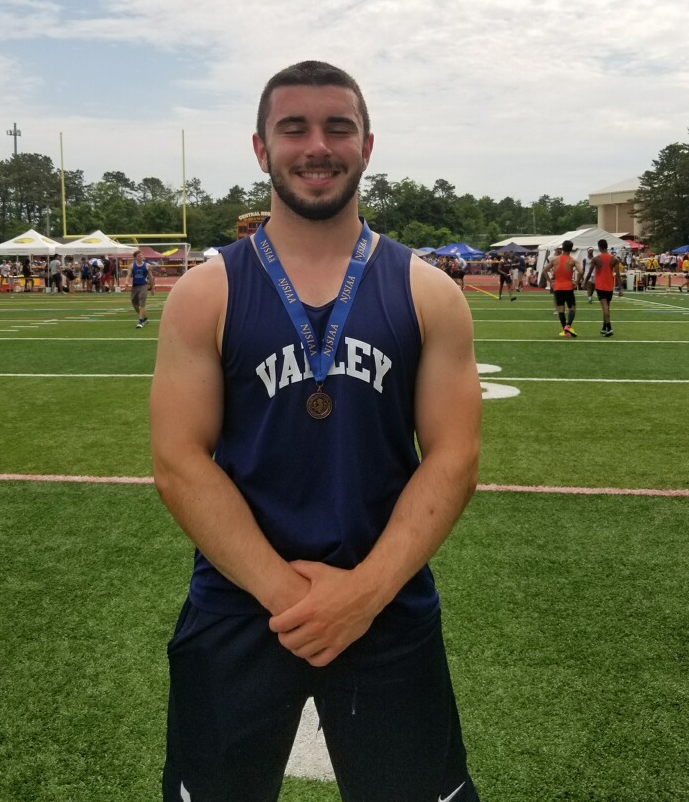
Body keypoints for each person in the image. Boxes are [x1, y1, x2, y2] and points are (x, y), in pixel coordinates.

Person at [151, 61, 482, 802]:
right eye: (293, 127)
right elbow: (178, 461)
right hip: (240, 604)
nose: (317, 145)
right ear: (261, 149)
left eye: (338, 126)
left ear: (368, 144)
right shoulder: (206, 293)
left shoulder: (430, 293)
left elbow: (454, 458)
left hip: (386, 604)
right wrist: (291, 596)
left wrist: (363, 593)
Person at [542, 240, 582, 337]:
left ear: (562, 248)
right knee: (572, 308)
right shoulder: (573, 260)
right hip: (568, 286)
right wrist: (576, 282)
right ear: (571, 249)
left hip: (557, 287)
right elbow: (580, 272)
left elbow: (544, 271)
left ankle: (565, 332)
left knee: (560, 309)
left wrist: (551, 282)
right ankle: (568, 326)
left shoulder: (555, 260)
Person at [591, 240, 623, 335]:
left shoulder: (596, 259)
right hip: (609, 285)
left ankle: (609, 327)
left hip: (600, 285)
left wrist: (585, 281)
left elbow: (589, 272)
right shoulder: (614, 259)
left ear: (599, 247)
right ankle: (604, 327)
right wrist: (620, 289)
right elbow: (618, 275)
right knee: (607, 307)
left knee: (604, 308)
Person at [128, 250, 154, 327]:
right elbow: (129, 275)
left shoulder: (147, 265)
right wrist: (126, 281)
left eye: (142, 255)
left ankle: (140, 321)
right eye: (139, 256)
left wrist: (152, 287)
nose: (141, 257)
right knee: (135, 304)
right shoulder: (132, 266)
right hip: (135, 286)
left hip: (143, 285)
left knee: (142, 303)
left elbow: (150, 277)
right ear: (135, 258)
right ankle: (144, 318)